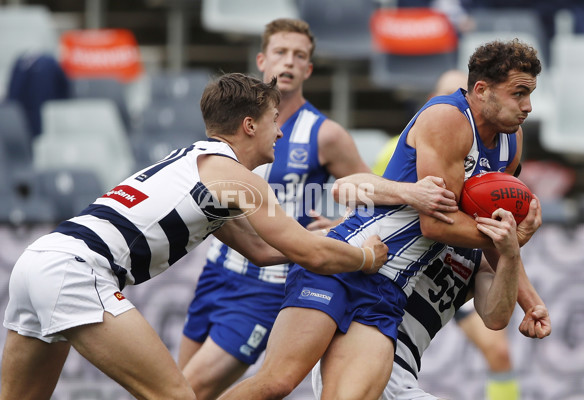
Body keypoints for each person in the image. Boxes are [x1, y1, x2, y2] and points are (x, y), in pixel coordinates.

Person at [0, 72, 395, 400]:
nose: (280, 130)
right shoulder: (238, 178)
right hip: (77, 271)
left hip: (38, 259)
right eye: (275, 118)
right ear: (249, 125)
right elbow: (310, 255)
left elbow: (260, 250)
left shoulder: (191, 160)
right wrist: (365, 257)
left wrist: (315, 242)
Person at [218, 39, 544, 400]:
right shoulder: (447, 118)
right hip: (345, 263)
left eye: (530, 94)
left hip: (389, 289)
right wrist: (505, 239)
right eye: (519, 94)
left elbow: (497, 251)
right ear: (481, 90)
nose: (528, 107)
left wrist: (528, 295)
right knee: (276, 382)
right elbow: (433, 223)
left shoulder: (510, 143)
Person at [176, 18, 457, 400]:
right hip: (219, 268)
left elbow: (371, 199)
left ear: (309, 69)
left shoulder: (325, 134)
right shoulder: (236, 120)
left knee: (192, 389)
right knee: (177, 387)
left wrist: (339, 224)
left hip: (270, 280)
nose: (288, 63)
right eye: (280, 53)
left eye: (299, 56)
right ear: (262, 59)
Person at [375, 68, 523, 400]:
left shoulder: (482, 224)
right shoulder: (402, 151)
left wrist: (514, 251)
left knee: (498, 352)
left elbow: (497, 315)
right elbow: (361, 193)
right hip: (379, 343)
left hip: (453, 264)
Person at [311, 208, 551, 400]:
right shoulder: (411, 209)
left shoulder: (482, 260)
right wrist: (340, 228)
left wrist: (511, 254)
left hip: (399, 376)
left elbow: (495, 318)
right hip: (357, 355)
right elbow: (354, 185)